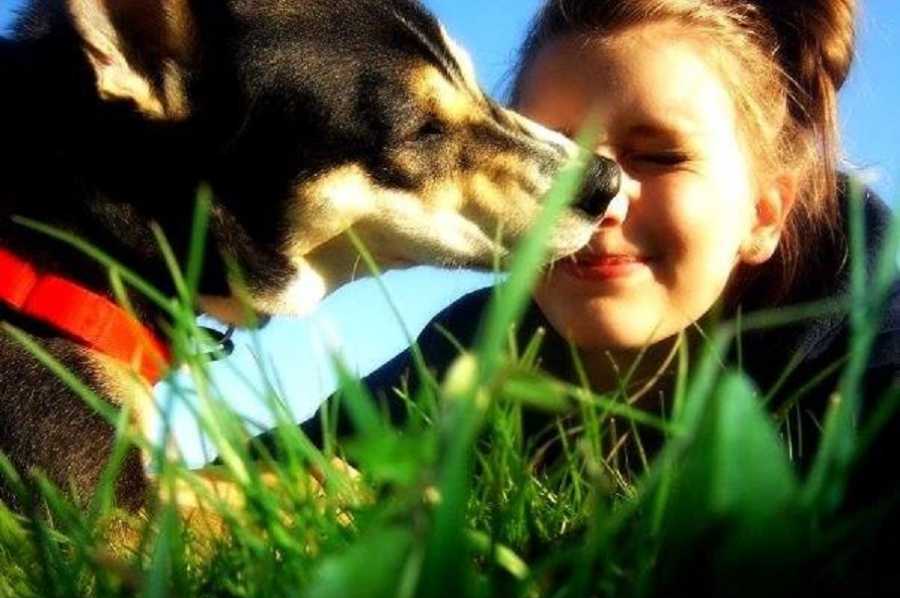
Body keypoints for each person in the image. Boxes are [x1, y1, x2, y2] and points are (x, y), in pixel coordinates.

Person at [291, 0, 898, 509]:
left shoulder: (874, 368)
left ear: (764, 213)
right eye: (545, 153)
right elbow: (276, 466)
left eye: (658, 156)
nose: (595, 200)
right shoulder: (479, 343)